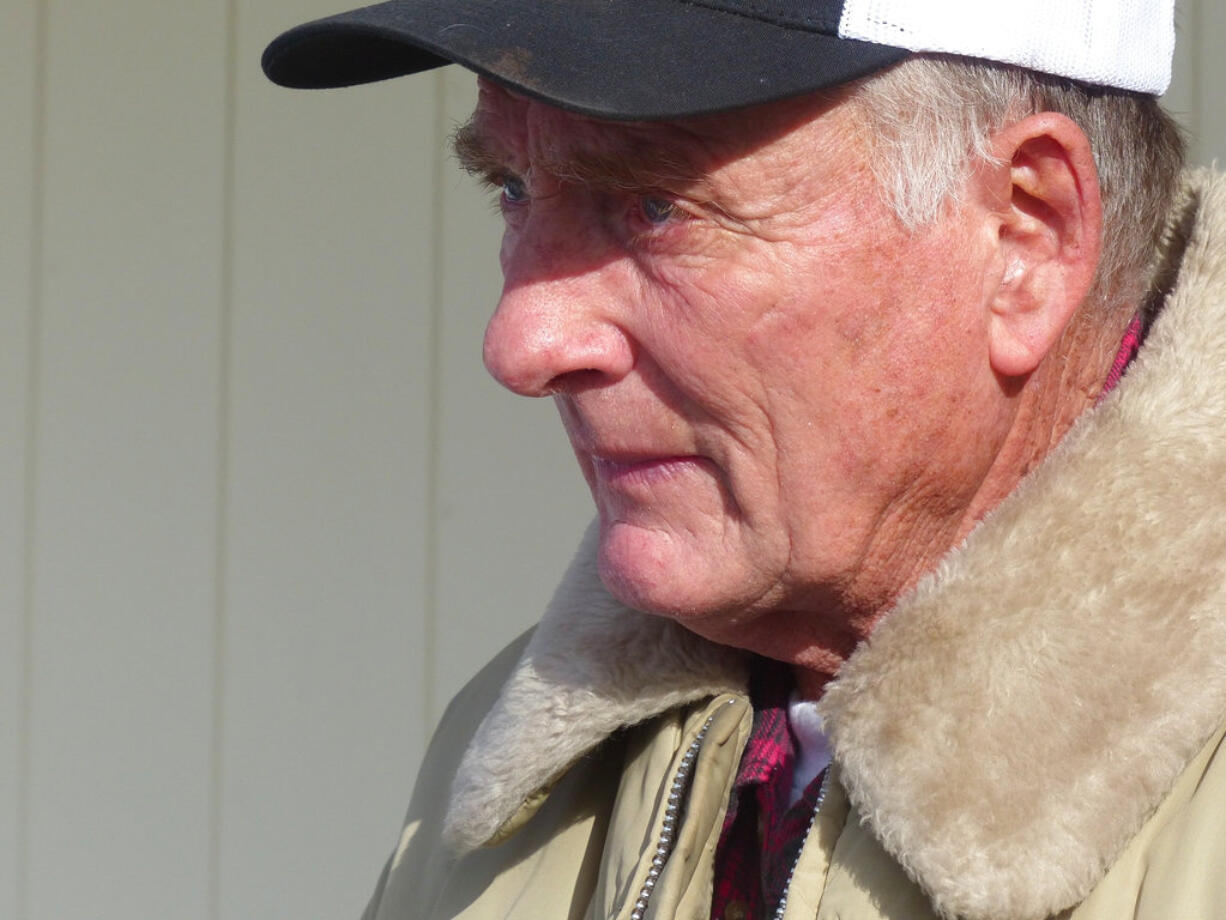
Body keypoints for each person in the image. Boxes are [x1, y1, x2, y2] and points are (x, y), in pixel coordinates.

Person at [263, 2, 1226, 918]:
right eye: (511, 189)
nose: (521, 342)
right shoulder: (503, 784)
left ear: (1025, 234)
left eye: (654, 206)